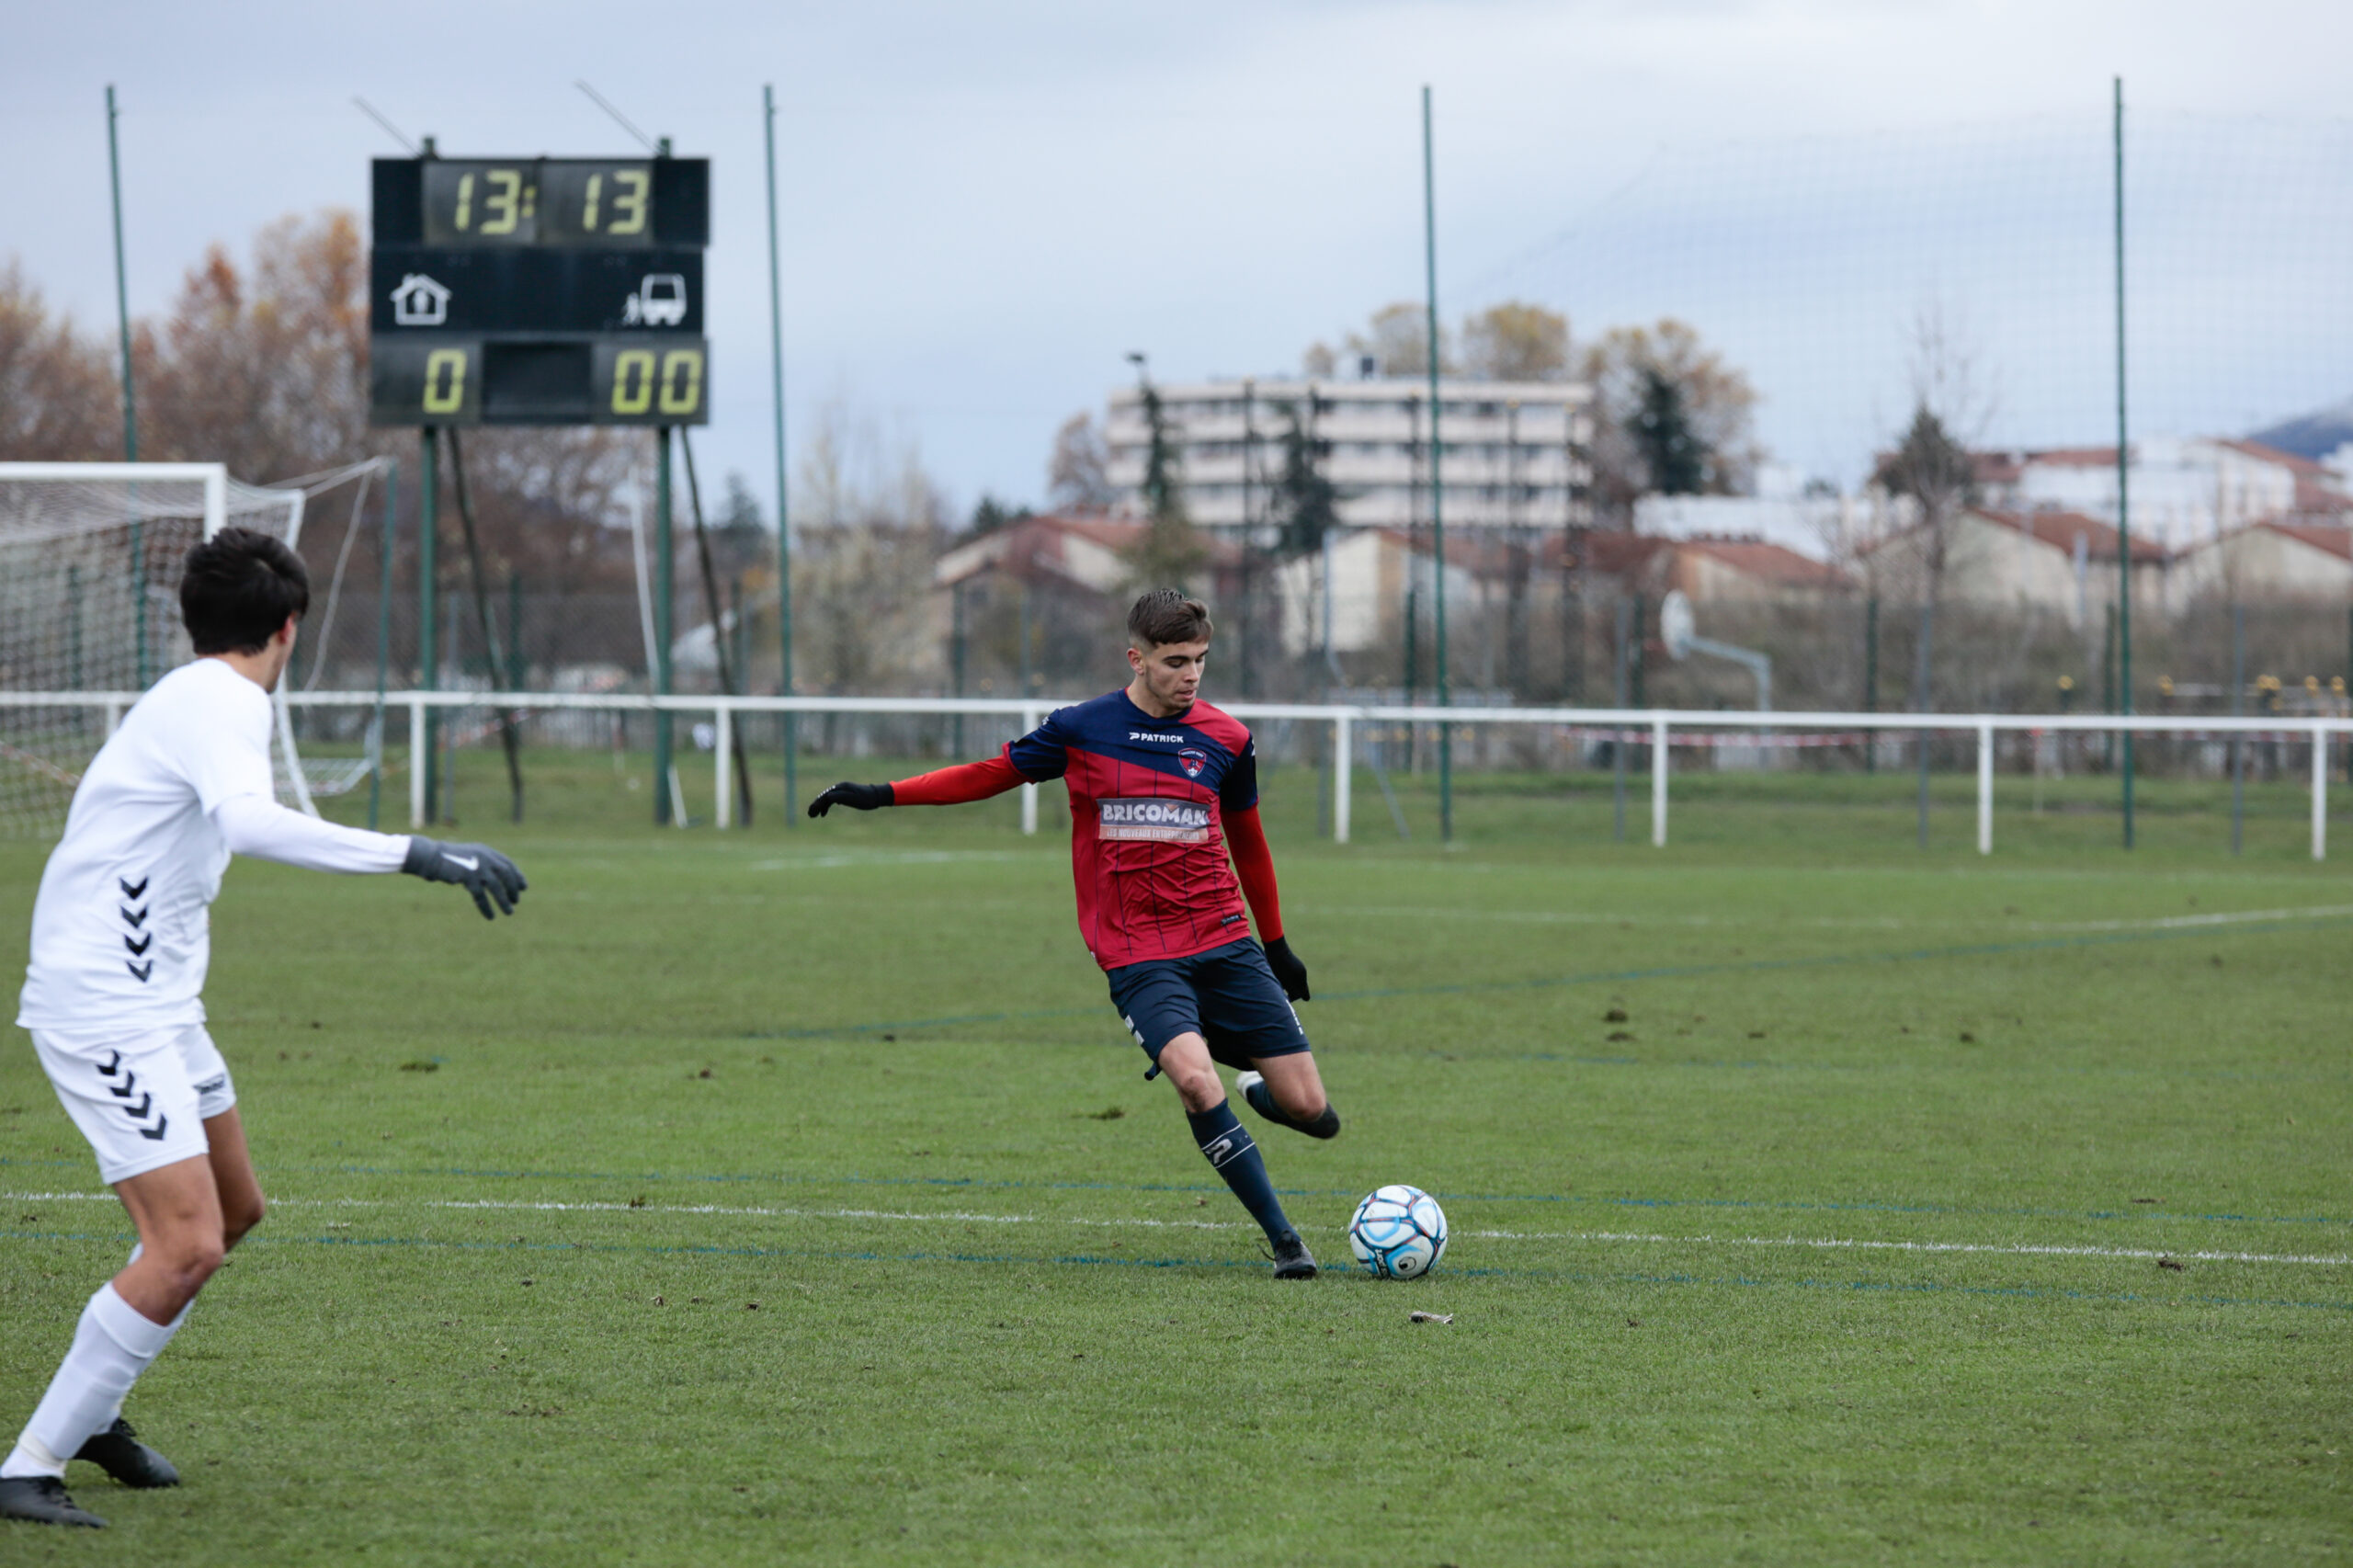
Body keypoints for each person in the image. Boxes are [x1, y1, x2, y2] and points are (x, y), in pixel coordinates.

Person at [1, 528, 527, 1529]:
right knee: (186, 1244)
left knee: (234, 1211)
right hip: (103, 1005)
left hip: (159, 1006)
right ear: (289, 627)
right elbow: (249, 821)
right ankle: (27, 1464)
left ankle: (94, 1410)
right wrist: (417, 851)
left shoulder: (193, 696)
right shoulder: (223, 700)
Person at [809, 589, 1336, 1278]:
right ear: (1136, 659)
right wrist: (882, 794)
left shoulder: (1229, 738)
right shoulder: (1081, 728)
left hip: (1223, 938)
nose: (1192, 675)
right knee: (1193, 1080)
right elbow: (988, 775)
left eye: (1200, 660)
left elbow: (1250, 843)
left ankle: (1255, 1084)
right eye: (1176, 661)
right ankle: (1286, 1242)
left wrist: (1276, 945)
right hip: (1137, 951)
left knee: (1312, 1111)